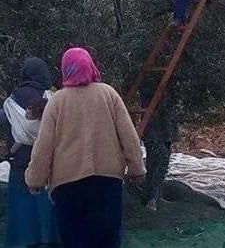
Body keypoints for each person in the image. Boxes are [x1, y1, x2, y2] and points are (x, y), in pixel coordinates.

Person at [25, 47, 146, 248]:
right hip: (107, 183)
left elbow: (43, 147)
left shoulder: (57, 102)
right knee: (107, 240)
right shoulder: (109, 94)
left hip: (68, 187)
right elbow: (129, 136)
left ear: (65, 70)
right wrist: (137, 169)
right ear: (90, 67)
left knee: (74, 240)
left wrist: (34, 179)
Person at [1, 57, 60, 247]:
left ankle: (26, 241)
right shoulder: (51, 97)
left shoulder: (13, 99)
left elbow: (7, 125)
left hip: (20, 161)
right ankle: (49, 240)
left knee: (23, 207)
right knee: (46, 204)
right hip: (47, 161)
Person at [138, 83, 180, 211]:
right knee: (156, 166)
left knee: (160, 165)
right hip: (157, 133)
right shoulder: (154, 88)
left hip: (162, 133)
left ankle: (155, 196)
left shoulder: (166, 88)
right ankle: (151, 199)